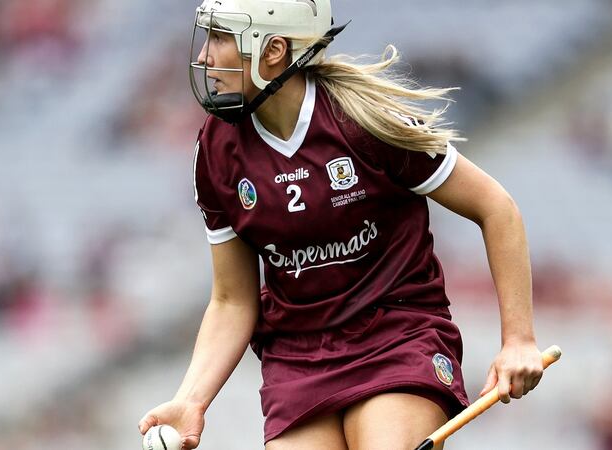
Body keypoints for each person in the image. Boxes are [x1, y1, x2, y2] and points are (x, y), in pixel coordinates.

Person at [139, 1, 544, 449]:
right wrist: (192, 400)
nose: (205, 56)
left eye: (221, 39)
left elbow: (496, 208)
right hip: (298, 359)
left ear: (273, 50)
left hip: (396, 337)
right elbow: (233, 300)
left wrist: (518, 340)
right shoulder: (216, 150)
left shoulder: (365, 121)